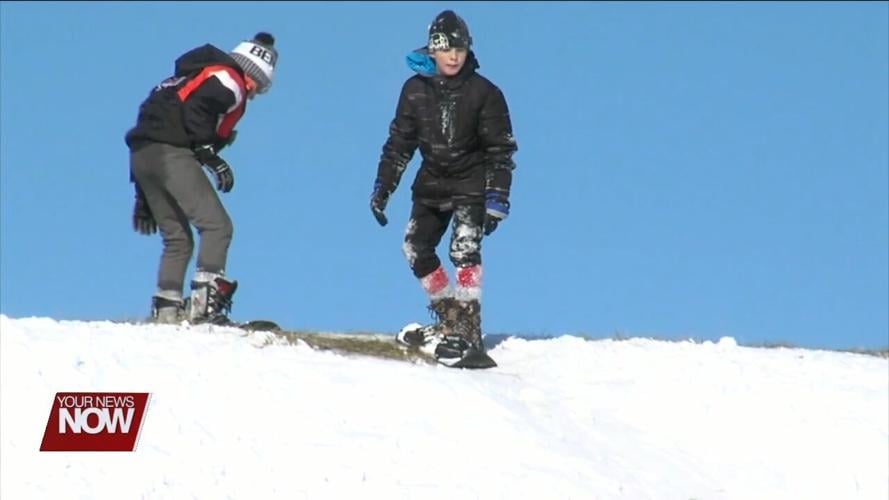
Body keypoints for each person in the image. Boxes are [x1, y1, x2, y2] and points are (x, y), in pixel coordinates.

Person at [371, 11, 518, 368]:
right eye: (446, 49)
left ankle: (468, 329)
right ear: (433, 51)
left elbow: (501, 150)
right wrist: (383, 187)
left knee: (464, 250)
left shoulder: (485, 92)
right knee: (415, 247)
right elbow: (399, 144)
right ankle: (449, 316)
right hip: (431, 183)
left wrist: (497, 198)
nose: (454, 56)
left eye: (460, 49)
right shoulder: (414, 90)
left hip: (471, 182)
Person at [125, 33, 278, 324]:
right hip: (171, 154)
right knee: (218, 226)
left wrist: (143, 196)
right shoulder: (229, 79)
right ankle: (204, 307)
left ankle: (166, 311)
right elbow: (199, 111)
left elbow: (152, 120)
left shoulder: (187, 77)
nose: (256, 93)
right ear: (252, 70)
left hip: (142, 157)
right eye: (260, 84)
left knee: (178, 238)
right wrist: (211, 156)